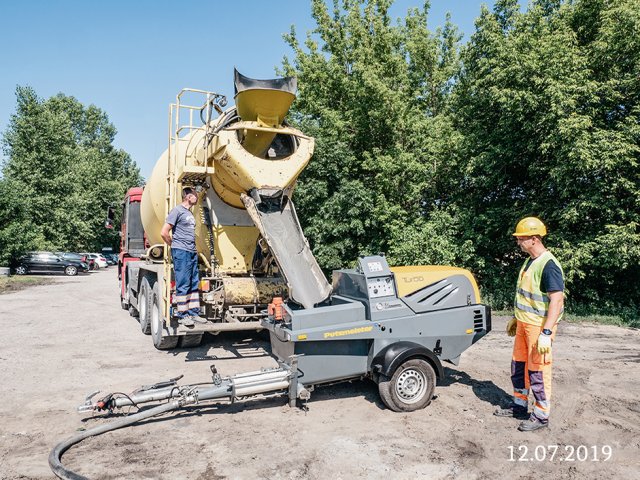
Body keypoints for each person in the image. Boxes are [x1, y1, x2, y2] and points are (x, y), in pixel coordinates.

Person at [494, 217, 565, 432]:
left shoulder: (549, 265)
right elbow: (528, 296)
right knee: (519, 367)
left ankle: (541, 415)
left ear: (534, 239)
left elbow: (557, 299)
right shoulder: (530, 261)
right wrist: (518, 319)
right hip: (525, 325)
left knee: (538, 371)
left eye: (522, 239)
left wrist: (546, 331)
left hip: (538, 328)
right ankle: (519, 405)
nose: (518, 242)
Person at [160, 187, 206, 327]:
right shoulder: (177, 211)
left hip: (191, 251)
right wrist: (174, 245)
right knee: (183, 282)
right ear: (187, 196)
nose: (196, 196)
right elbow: (164, 232)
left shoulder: (189, 212)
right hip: (181, 251)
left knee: (193, 282)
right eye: (194, 194)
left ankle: (193, 312)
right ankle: (182, 315)